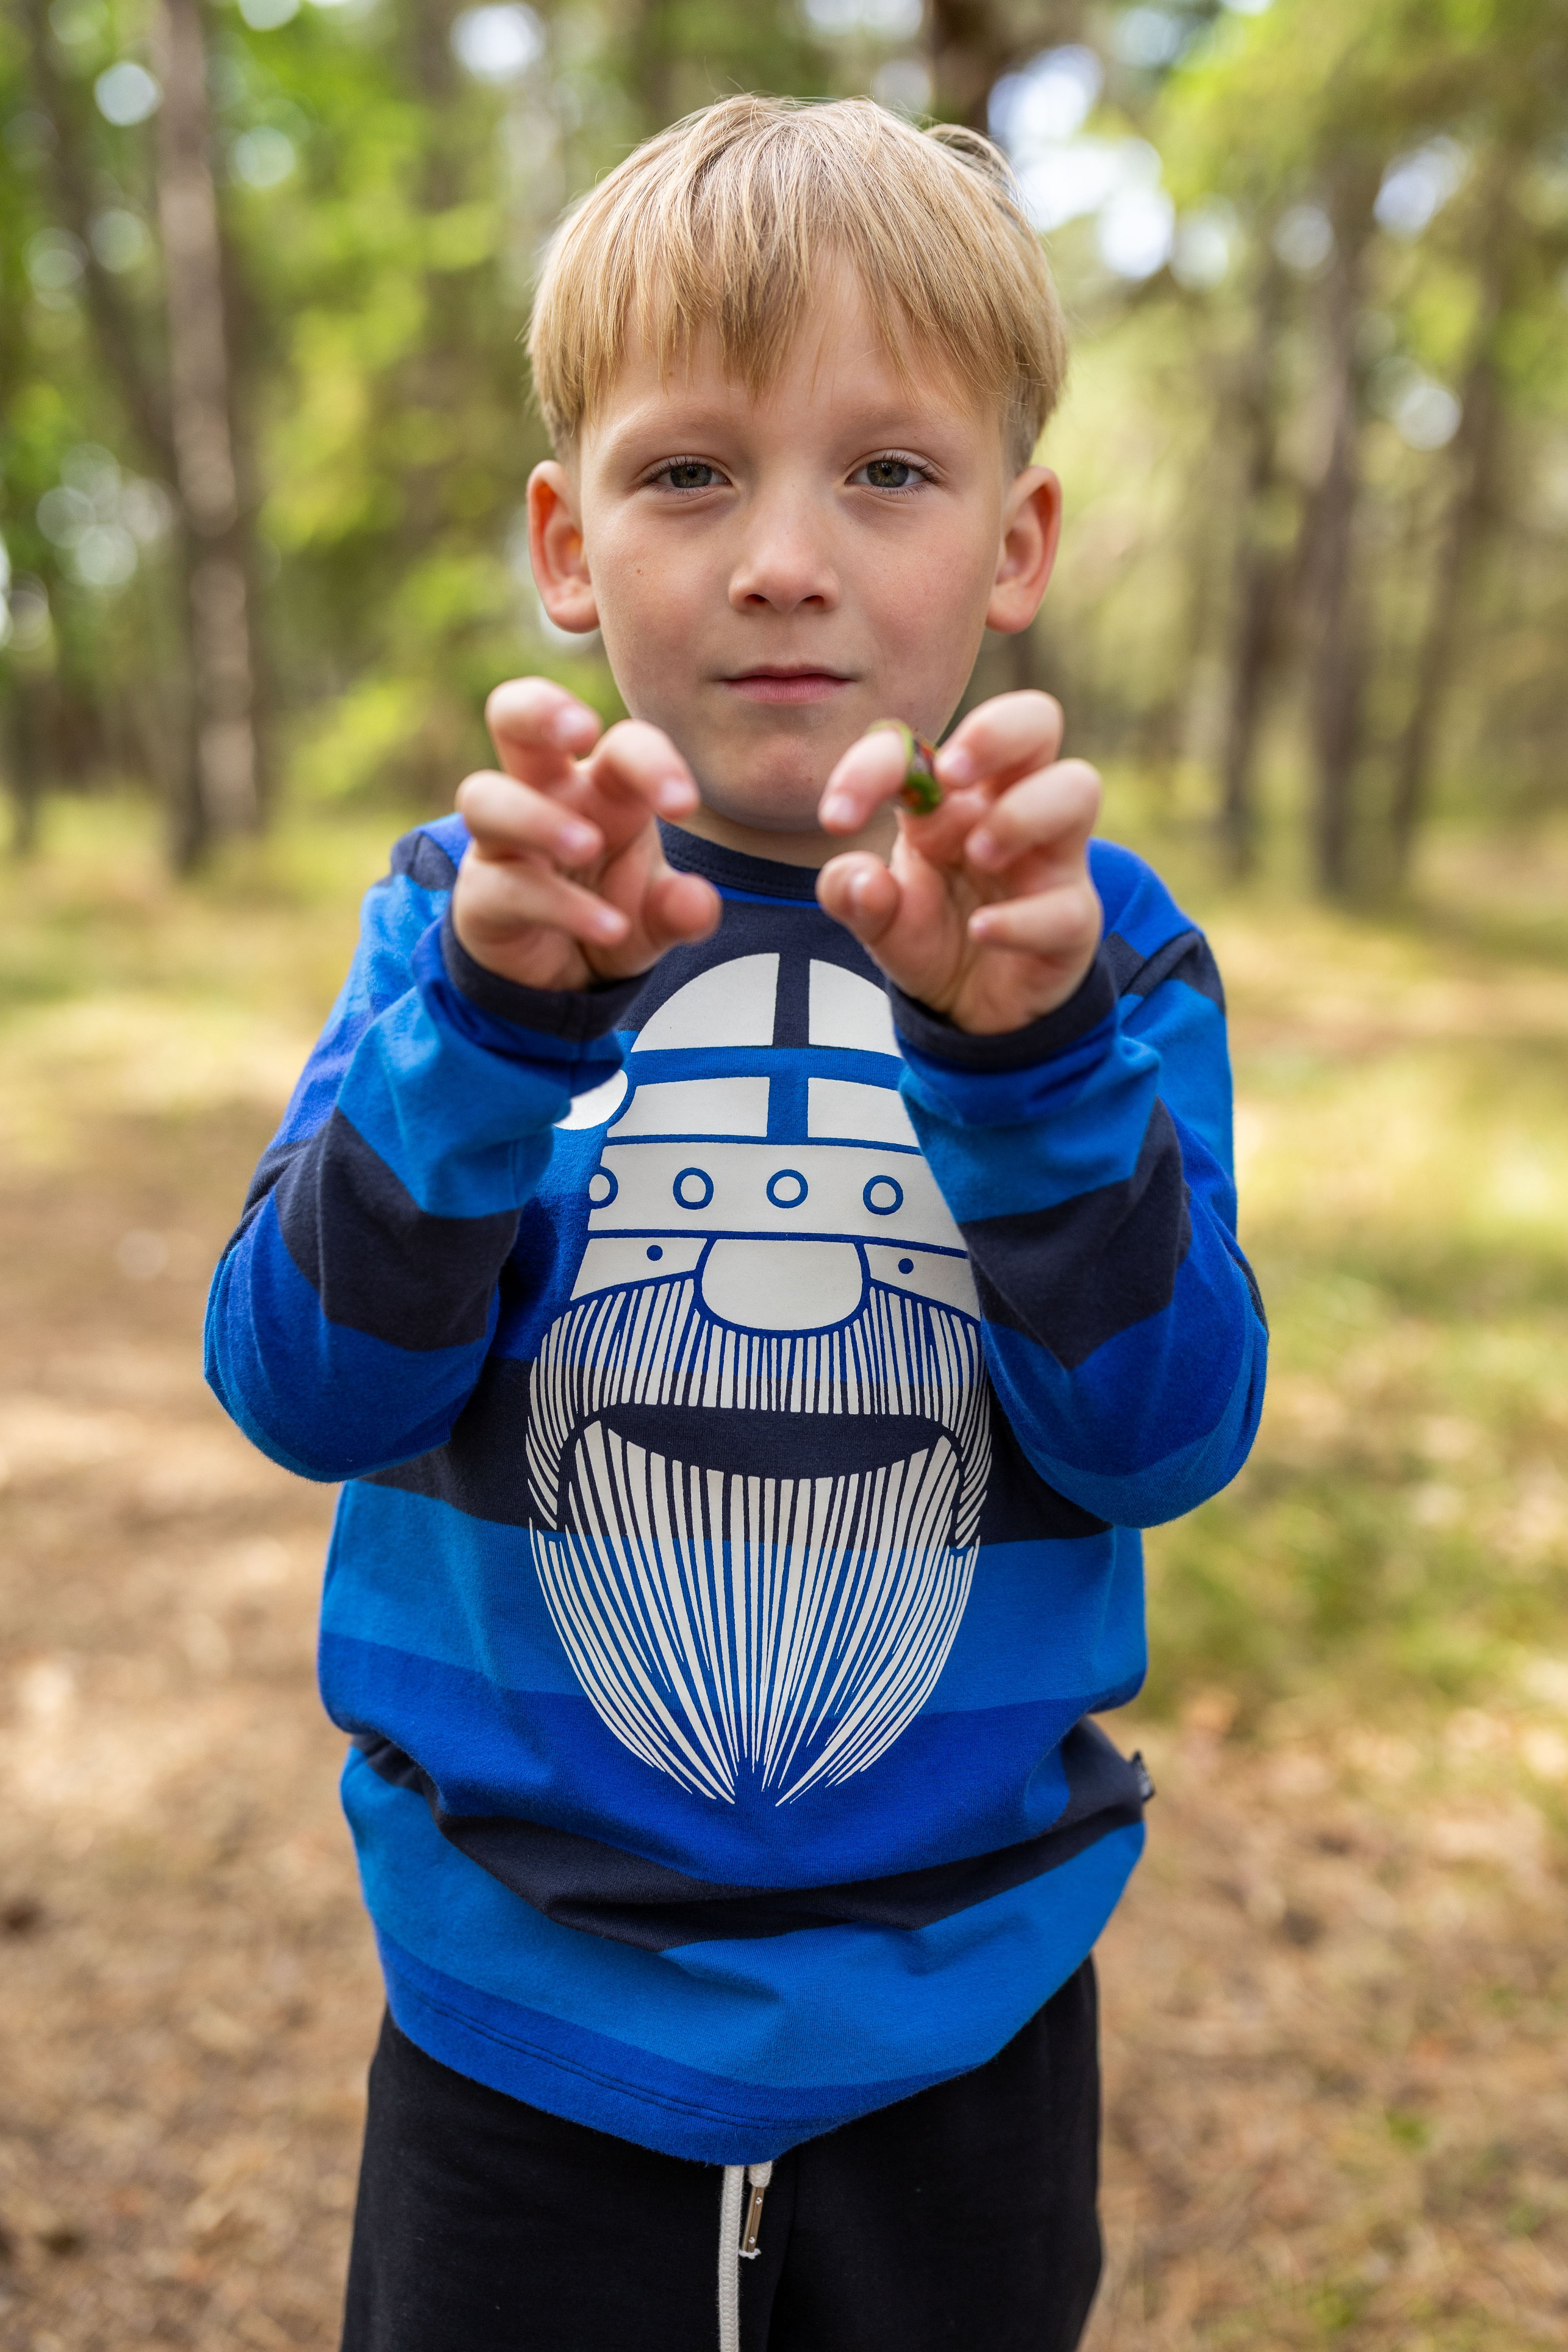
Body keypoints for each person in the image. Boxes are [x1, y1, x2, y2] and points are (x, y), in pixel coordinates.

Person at [207, 94, 1267, 2352]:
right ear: (567, 543)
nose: (785, 555)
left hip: (965, 2022)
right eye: (692, 471)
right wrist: (491, 1036)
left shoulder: (1106, 957)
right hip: (518, 2026)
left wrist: (1036, 1066)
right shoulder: (462, 918)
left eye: (886, 470)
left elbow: (1159, 1441)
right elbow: (302, 1389)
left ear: (1017, 538)